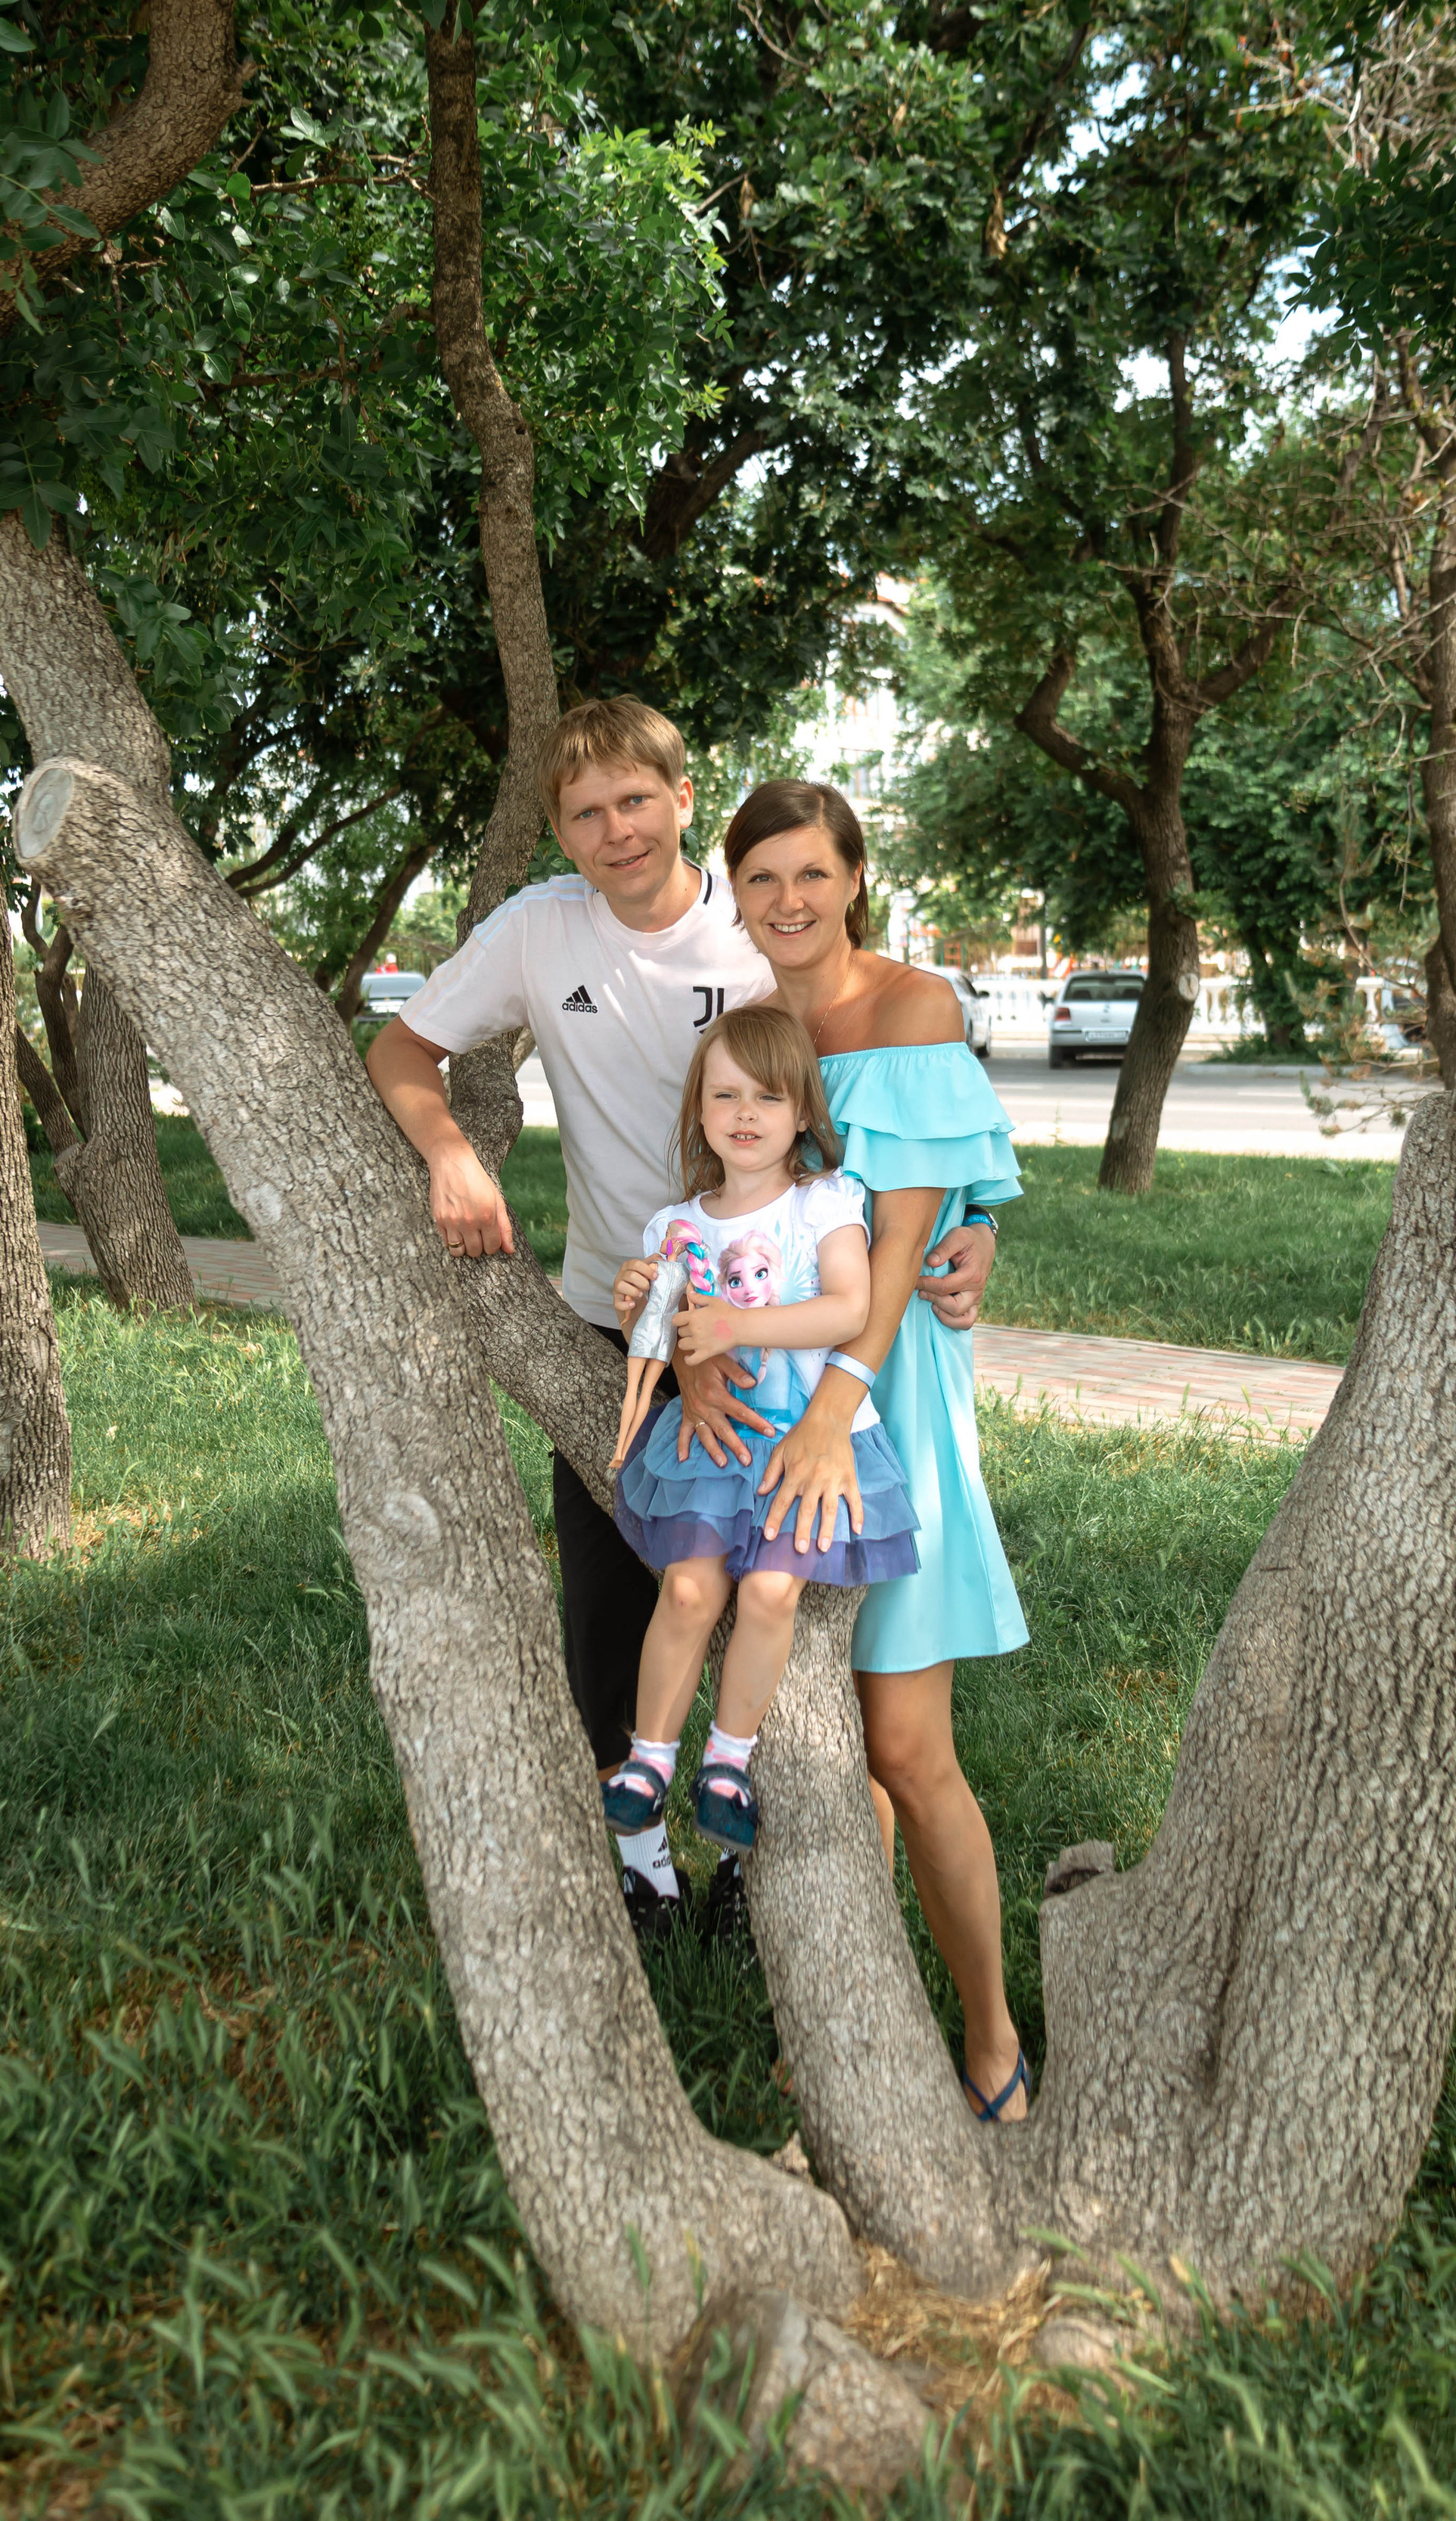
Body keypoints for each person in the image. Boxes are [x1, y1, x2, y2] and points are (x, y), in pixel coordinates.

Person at [366, 697, 998, 1939]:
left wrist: (976, 1222)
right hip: (622, 1323)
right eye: (586, 812)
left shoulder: (762, 938)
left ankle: (759, 1869)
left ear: (682, 798)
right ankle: (641, 1865)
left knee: (771, 1605)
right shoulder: (538, 934)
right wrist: (448, 1155)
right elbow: (400, 1053)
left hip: (788, 1334)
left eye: (636, 800)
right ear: (558, 828)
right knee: (614, 1613)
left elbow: (882, 1097)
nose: (617, 830)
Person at [675, 777, 1030, 2122]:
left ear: (855, 876)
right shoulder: (752, 1029)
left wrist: (837, 1403)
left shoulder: (916, 1008)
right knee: (812, 1738)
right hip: (767, 1398)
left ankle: (991, 2040)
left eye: (811, 875)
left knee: (904, 1741)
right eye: (761, 880)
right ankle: (852, 2034)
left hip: (883, 1397)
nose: (788, 903)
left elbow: (909, 1233)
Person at [604, 1003, 919, 1855]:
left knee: (774, 1591)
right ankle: (648, 1761)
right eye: (727, 1096)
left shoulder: (824, 1202)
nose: (746, 1116)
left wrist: (737, 1327)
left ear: (803, 1115)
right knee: (690, 1590)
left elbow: (849, 1306)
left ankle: (728, 1761)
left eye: (769, 1098)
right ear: (699, 1112)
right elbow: (670, 1336)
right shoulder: (675, 1226)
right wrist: (640, 1299)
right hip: (718, 1446)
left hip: (805, 1438)